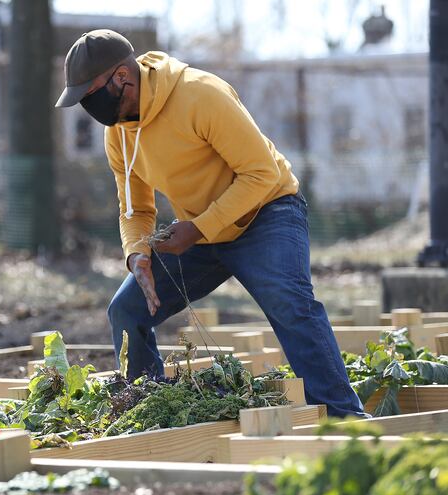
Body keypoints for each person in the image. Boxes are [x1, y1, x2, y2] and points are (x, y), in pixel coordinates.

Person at [55, 29, 365, 418]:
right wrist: (137, 256)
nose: (87, 105)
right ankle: (151, 413)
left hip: (267, 213)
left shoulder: (200, 94)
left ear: (121, 78)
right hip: (197, 230)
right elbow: (134, 210)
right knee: (127, 310)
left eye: (89, 94)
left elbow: (261, 174)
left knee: (290, 304)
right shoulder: (118, 134)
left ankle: (344, 420)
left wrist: (199, 228)